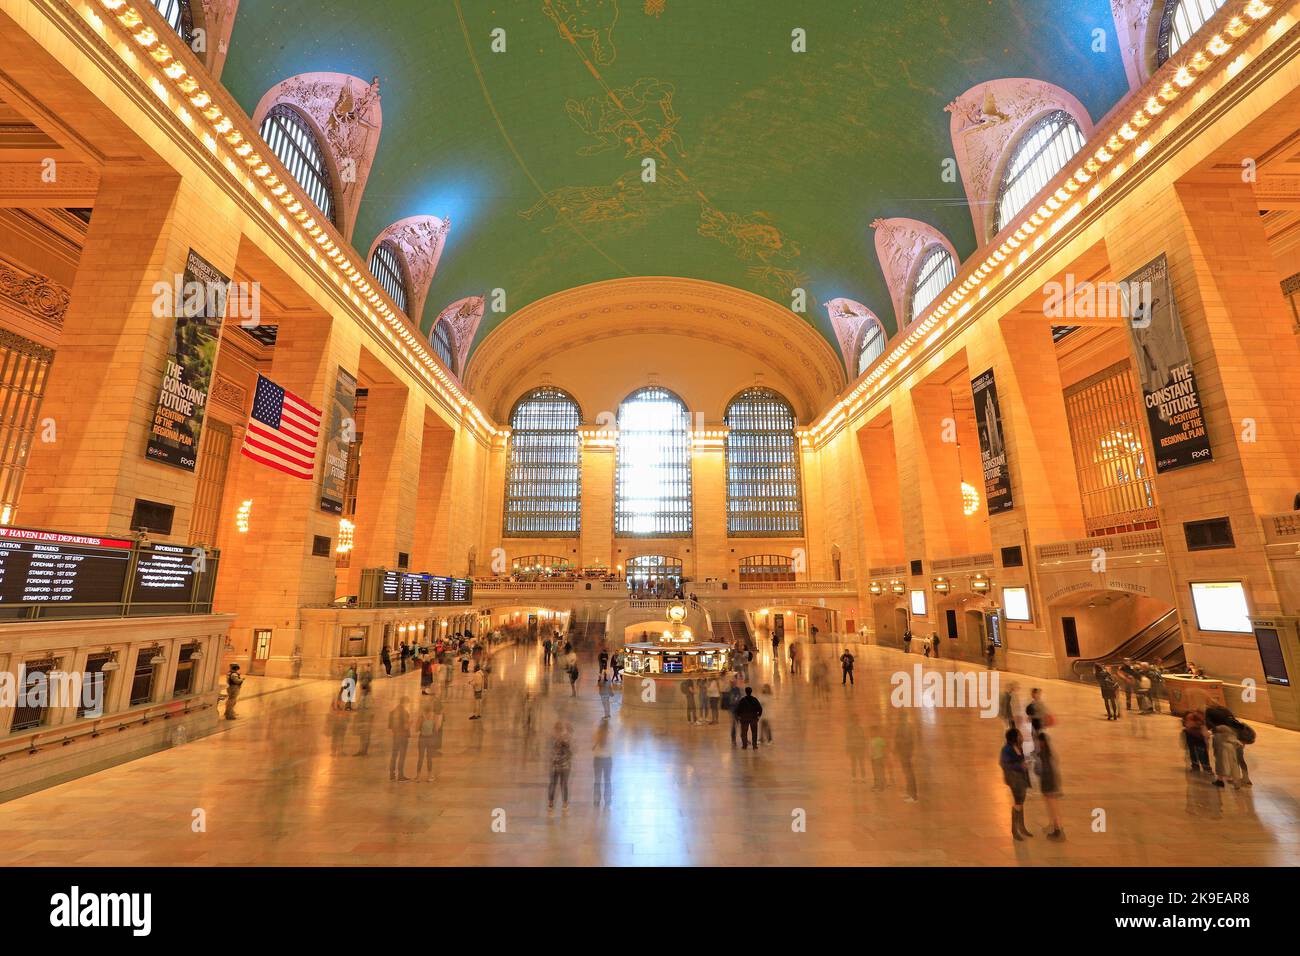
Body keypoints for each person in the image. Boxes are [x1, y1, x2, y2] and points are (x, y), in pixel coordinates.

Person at [1000, 727, 1034, 841]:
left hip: (1021, 779)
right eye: (1019, 735)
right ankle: (1015, 830)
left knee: (1021, 802)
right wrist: (1020, 766)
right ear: (1015, 737)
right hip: (1014, 780)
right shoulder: (1007, 749)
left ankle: (1021, 827)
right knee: (1018, 802)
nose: (1021, 736)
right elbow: (1005, 764)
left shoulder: (1019, 747)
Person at [1033, 728, 1065, 839]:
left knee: (1052, 807)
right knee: (1053, 806)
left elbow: (1041, 770)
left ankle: (1058, 830)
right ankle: (1056, 827)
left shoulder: (1043, 754)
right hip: (1051, 782)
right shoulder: (1048, 752)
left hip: (1048, 783)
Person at [547, 722, 573, 812]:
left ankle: (550, 803)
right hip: (565, 766)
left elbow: (549, 751)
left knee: (552, 784)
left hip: (554, 766)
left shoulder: (551, 738)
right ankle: (565, 804)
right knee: (564, 785)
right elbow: (570, 752)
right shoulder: (566, 739)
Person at [416, 702, 443, 782]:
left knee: (420, 758)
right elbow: (436, 729)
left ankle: (418, 776)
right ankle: (429, 775)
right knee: (429, 758)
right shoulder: (434, 717)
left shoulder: (421, 717)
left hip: (422, 739)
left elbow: (416, 729)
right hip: (430, 739)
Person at [388, 697, 412, 782]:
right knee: (402, 756)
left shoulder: (392, 712)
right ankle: (400, 775)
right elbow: (406, 726)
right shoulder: (404, 713)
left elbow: (390, 726)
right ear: (405, 703)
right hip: (403, 737)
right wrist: (409, 723)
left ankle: (392, 775)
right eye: (407, 703)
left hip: (395, 736)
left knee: (394, 755)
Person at [1211, 720, 1241, 788]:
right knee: (1233, 765)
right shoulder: (1234, 731)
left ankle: (1220, 781)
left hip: (1223, 748)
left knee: (1221, 764)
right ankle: (1236, 782)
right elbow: (1238, 743)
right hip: (1231, 748)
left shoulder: (1222, 727)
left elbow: (1215, 736)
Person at [1182, 708, 1211, 773]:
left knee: (1195, 753)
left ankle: (1197, 767)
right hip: (1199, 737)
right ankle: (1206, 768)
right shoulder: (1199, 718)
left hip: (1194, 737)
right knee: (1201, 753)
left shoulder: (1190, 717)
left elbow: (1188, 725)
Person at [592, 721, 613, 808]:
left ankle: (596, 800)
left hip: (597, 759)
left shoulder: (596, 734)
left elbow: (592, 744)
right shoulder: (611, 734)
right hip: (608, 759)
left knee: (597, 781)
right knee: (607, 780)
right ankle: (607, 800)